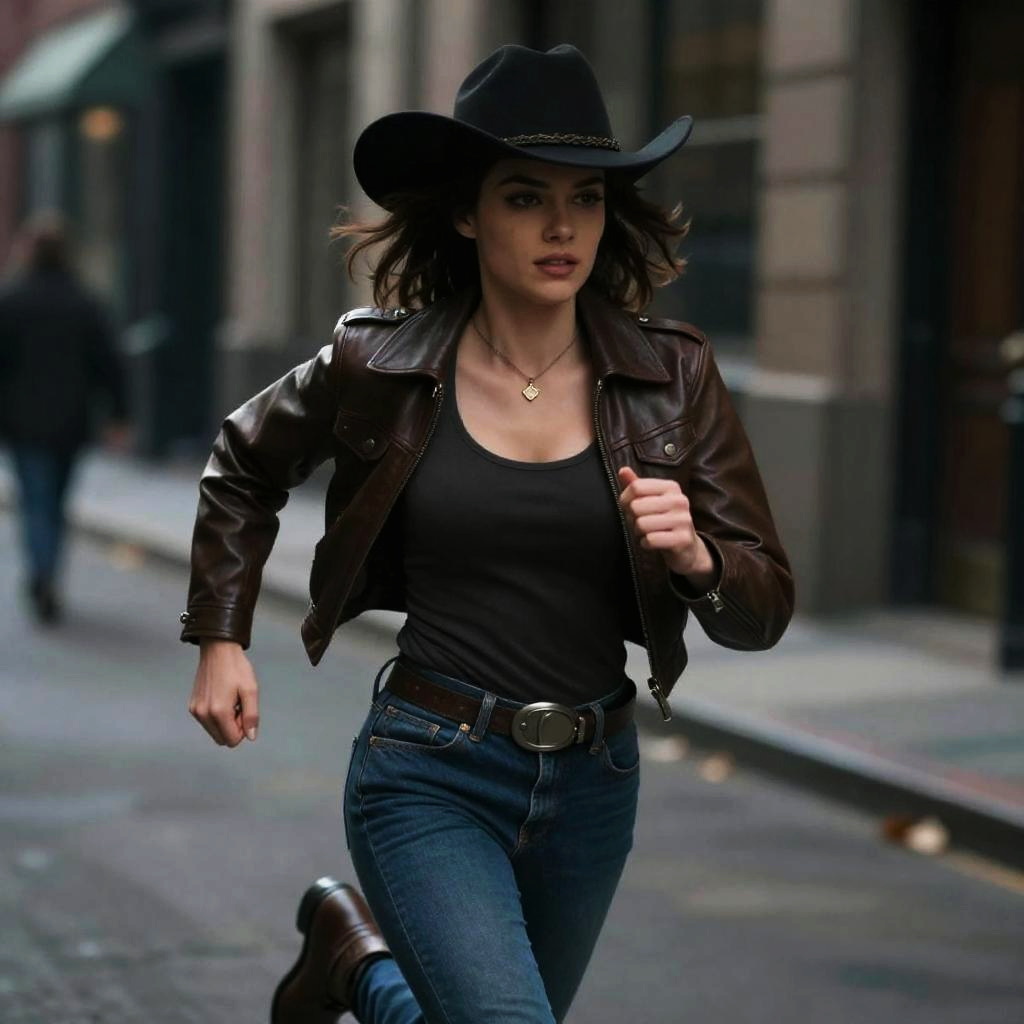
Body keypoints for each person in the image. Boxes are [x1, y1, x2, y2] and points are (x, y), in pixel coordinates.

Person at [181, 43, 794, 1024]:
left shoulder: (671, 376)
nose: (562, 226)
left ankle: (351, 962)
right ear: (467, 213)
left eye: (586, 198)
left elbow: (761, 609)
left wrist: (698, 557)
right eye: (524, 196)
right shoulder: (380, 363)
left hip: (595, 781)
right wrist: (220, 635)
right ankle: (359, 962)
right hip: (429, 766)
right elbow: (243, 461)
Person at [0, 210, 130, 624]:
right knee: (54, 502)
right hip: (71, 421)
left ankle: (42, 573)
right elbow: (109, 363)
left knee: (34, 501)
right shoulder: (85, 303)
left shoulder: (12, 301)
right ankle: (48, 573)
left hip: (22, 422)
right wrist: (119, 414)